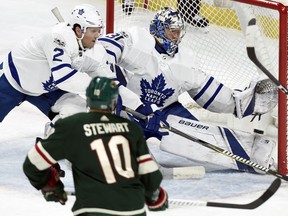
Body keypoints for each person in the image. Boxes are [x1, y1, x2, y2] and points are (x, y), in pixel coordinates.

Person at [97, 7, 278, 172]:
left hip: (166, 112)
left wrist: (241, 104)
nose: (176, 37)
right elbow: (103, 48)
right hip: (127, 110)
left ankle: (258, 155)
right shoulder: (137, 40)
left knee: (203, 140)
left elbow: (209, 92)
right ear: (159, 29)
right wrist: (113, 87)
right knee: (117, 163)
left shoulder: (185, 60)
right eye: (171, 31)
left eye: (178, 32)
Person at [23, 76, 168, 216]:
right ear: (114, 103)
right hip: (132, 210)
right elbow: (151, 176)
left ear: (88, 100)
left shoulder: (72, 124)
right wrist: (155, 197)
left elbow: (32, 165)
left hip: (92, 209)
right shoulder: (131, 129)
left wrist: (49, 185)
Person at [0, 4, 112, 124]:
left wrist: (112, 87)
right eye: (93, 31)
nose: (97, 35)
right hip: (10, 82)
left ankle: (52, 140)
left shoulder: (82, 44)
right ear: (79, 30)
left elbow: (94, 66)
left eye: (99, 31)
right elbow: (65, 78)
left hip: (47, 88)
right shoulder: (57, 37)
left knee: (78, 113)